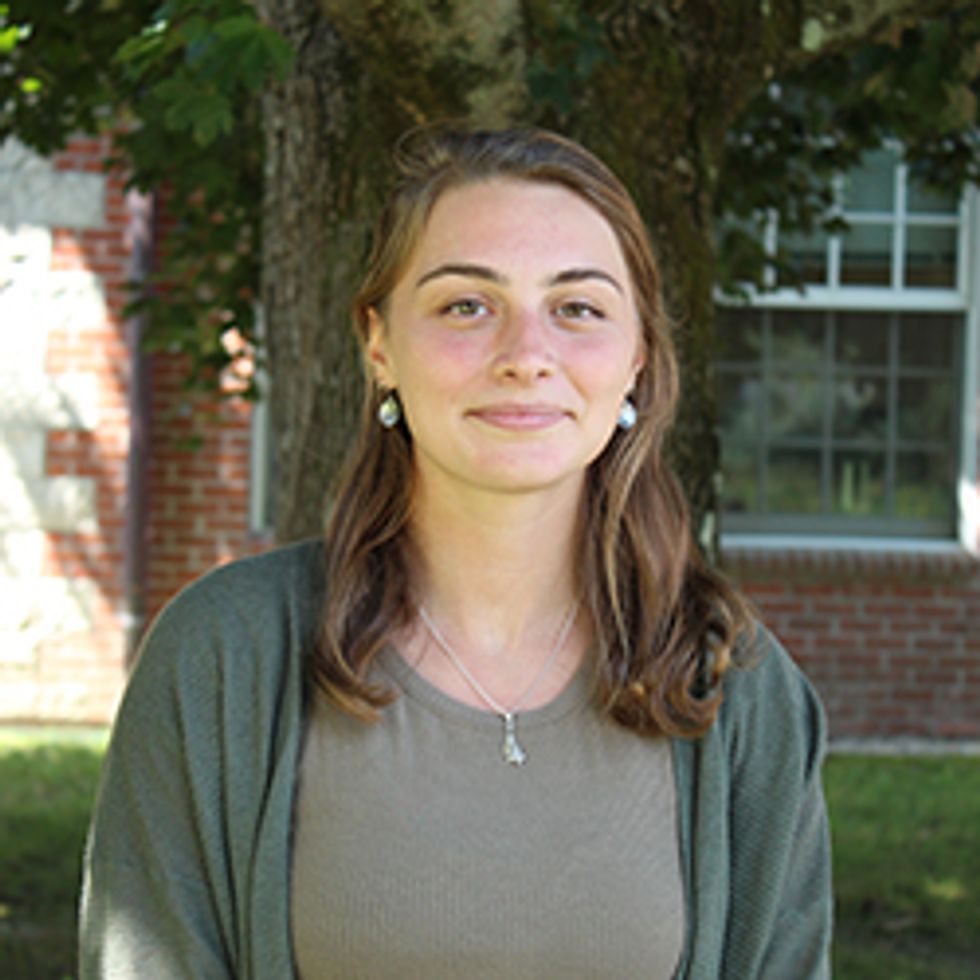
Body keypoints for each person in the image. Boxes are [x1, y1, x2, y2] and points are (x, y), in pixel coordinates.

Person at [79, 125, 832, 979]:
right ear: (379, 346)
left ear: (638, 359)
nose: (526, 357)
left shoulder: (732, 685)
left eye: (578, 309)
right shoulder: (224, 658)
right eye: (466, 305)